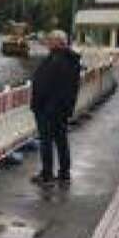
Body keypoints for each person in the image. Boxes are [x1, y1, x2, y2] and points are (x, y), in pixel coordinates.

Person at [30, 30, 82, 186]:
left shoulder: (57, 60)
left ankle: (47, 175)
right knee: (61, 140)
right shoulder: (69, 60)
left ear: (59, 42)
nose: (48, 42)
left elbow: (46, 85)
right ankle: (64, 174)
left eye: (50, 40)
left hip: (49, 109)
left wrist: (39, 105)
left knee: (47, 142)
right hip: (61, 108)